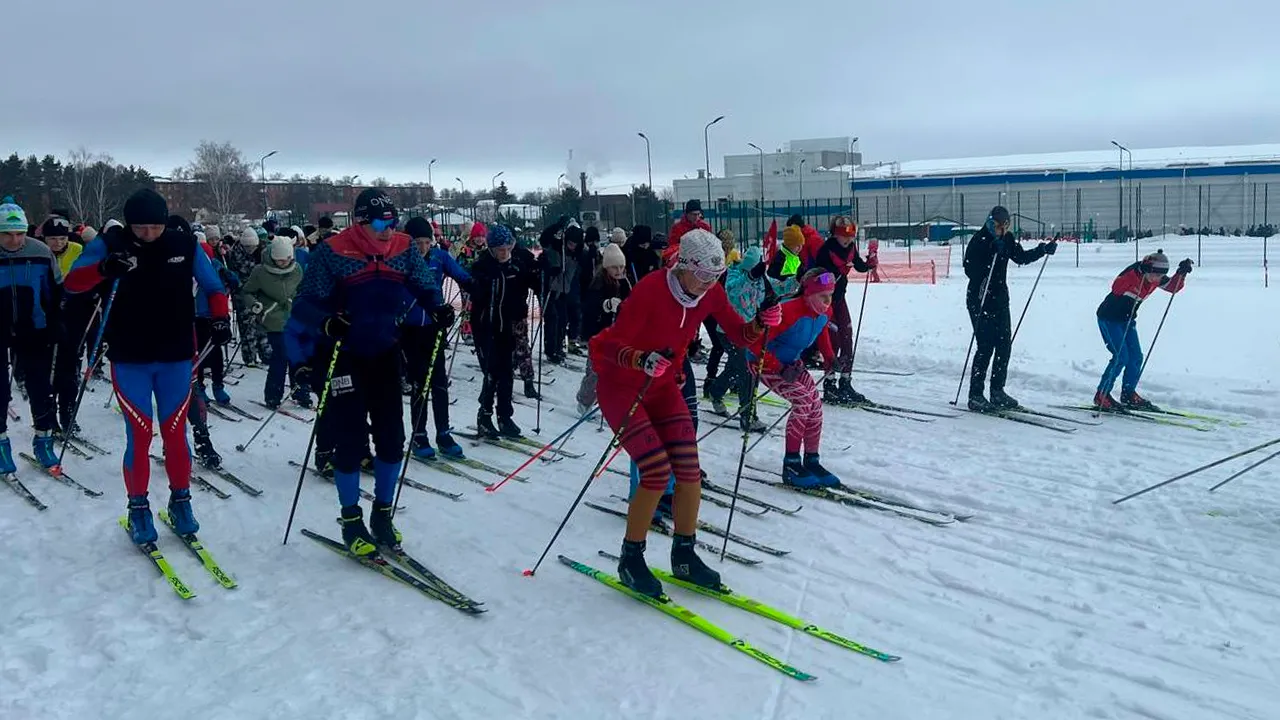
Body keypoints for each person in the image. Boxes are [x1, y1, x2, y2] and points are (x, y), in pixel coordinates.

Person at [588, 229, 780, 598]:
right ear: (684, 266)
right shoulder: (650, 291)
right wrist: (640, 358)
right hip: (621, 387)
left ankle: (685, 554)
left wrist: (761, 321)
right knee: (657, 471)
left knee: (689, 470)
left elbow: (740, 336)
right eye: (704, 277)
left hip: (662, 387)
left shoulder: (708, 294)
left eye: (715, 279)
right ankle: (631, 558)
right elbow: (605, 347)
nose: (709, 285)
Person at [65, 189, 232, 543]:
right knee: (140, 436)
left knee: (175, 432)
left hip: (175, 356)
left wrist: (220, 319)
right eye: (141, 228)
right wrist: (104, 268)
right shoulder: (112, 242)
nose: (149, 234)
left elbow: (215, 286)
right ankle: (137, 506)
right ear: (130, 224)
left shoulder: (183, 244)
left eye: (155, 227)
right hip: (130, 358)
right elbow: (74, 282)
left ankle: (181, 501)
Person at [292, 188, 449, 555]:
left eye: (392, 221)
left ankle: (382, 512)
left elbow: (424, 283)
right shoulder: (333, 251)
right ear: (362, 222)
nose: (388, 229)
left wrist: (437, 306)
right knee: (349, 441)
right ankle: (350, 519)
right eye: (381, 222)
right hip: (343, 355)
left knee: (393, 438)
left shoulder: (403, 246)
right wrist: (327, 323)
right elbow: (303, 304)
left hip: (384, 351)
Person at [962, 206, 1056, 411]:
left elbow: (1021, 257)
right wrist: (989, 257)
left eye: (1005, 226)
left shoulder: (1007, 239)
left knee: (1004, 345)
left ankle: (997, 391)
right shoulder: (980, 240)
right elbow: (969, 268)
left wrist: (1042, 250)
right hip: (980, 299)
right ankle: (975, 395)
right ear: (990, 223)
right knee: (985, 347)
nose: (1002, 230)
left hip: (999, 300)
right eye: (998, 226)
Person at [751, 269, 839, 488]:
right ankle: (790, 463)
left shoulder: (824, 313)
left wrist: (830, 358)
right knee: (802, 401)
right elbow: (754, 344)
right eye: (823, 296)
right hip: (763, 363)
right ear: (808, 293)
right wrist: (778, 367)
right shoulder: (788, 311)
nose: (828, 301)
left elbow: (822, 332)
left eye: (830, 295)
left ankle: (811, 460)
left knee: (815, 406)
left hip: (791, 363)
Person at [0, 197, 63, 471]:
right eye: (7, 234)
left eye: (20, 234)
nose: (15, 241)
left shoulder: (39, 252)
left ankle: (43, 439)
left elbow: (55, 291)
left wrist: (56, 321)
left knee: (41, 387)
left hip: (34, 329)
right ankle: (1, 444)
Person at [402, 217, 469, 459]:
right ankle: (419, 434)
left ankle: (443, 432)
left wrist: (476, 287)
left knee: (439, 381)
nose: (422, 247)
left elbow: (461, 275)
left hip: (434, 327)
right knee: (419, 383)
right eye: (417, 242)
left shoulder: (439, 257)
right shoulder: (400, 261)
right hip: (409, 330)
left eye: (426, 242)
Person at [1093, 250, 1191, 411]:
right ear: (1147, 269)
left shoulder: (1154, 278)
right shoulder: (1134, 272)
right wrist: (1139, 270)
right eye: (1155, 275)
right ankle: (1101, 395)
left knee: (1136, 357)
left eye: (1160, 276)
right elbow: (1117, 288)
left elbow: (1173, 287)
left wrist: (1181, 274)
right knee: (1121, 356)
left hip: (1127, 320)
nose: (1157, 279)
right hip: (1109, 319)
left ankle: (1128, 393)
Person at [469, 224, 539, 438]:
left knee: (506, 373)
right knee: (492, 374)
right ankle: (484, 416)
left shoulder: (515, 265)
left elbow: (532, 283)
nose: (505, 253)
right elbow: (475, 291)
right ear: (491, 248)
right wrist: (488, 281)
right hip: (486, 328)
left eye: (508, 248)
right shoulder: (482, 266)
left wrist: (540, 271)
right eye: (500, 249)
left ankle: (505, 416)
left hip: (506, 327)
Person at [813, 215, 873, 405]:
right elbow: (818, 278)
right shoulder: (826, 250)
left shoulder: (851, 248)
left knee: (847, 334)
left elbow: (858, 264)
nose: (848, 240)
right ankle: (829, 384)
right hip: (826, 300)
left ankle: (845, 381)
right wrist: (835, 273)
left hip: (839, 298)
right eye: (844, 236)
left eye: (852, 237)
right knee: (833, 339)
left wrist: (868, 264)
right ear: (835, 235)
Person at [241, 236, 304, 408]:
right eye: (280, 260)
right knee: (281, 356)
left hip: (295, 319)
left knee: (298, 356)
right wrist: (255, 305)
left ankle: (301, 390)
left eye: (287, 259)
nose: (283, 263)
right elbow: (247, 292)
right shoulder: (260, 271)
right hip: (273, 318)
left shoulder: (297, 269)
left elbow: (303, 289)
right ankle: (273, 395)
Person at [576, 242, 631, 414]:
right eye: (614, 267)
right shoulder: (598, 282)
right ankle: (584, 400)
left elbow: (631, 301)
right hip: (598, 332)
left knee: (616, 369)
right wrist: (605, 304)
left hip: (617, 332)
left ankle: (610, 400)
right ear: (607, 266)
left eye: (621, 266)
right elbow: (589, 306)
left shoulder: (624, 282)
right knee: (595, 370)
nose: (618, 270)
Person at [227, 227, 271, 366]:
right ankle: (249, 356)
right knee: (247, 326)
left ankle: (266, 354)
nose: (251, 249)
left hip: (260, 293)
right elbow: (245, 271)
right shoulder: (236, 253)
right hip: (243, 294)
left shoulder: (262, 251)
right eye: (248, 246)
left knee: (262, 325)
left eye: (253, 246)